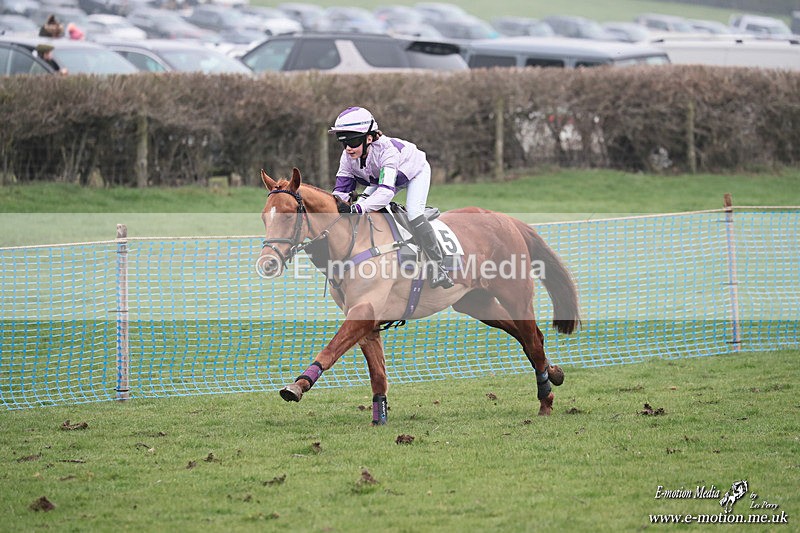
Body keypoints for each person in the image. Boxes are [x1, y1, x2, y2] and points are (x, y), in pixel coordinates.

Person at [329, 106, 454, 289]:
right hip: (381, 180)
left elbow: (386, 192)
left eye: (353, 141)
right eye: (344, 142)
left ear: (369, 138)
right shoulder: (347, 157)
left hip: (414, 173)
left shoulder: (387, 151)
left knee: (413, 213)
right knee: (363, 207)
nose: (348, 148)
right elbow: (340, 192)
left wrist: (357, 207)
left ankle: (438, 266)